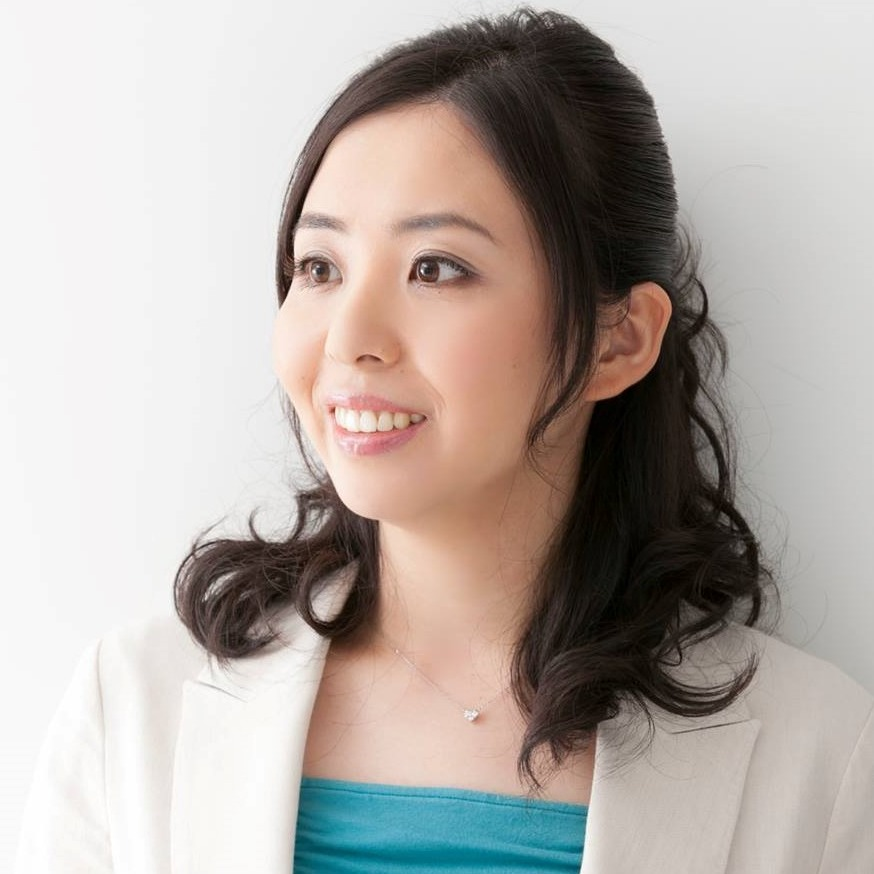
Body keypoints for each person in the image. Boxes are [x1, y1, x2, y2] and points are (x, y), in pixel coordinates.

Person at [15, 7, 873, 873]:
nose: (350, 337)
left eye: (436, 268)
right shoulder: (135, 709)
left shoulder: (821, 760)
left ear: (617, 341)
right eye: (319, 267)